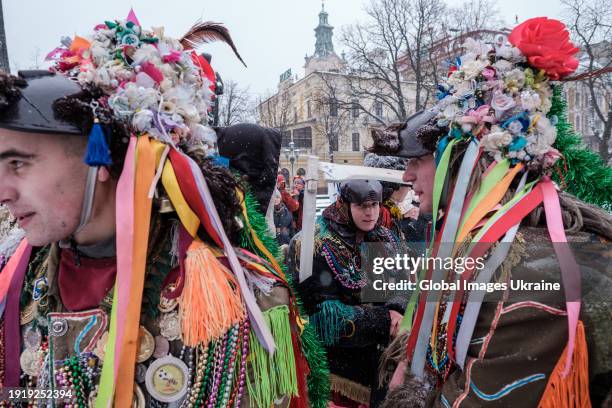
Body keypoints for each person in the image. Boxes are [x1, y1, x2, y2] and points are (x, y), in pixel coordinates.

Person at [0, 14, 314, 407]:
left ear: (95, 158)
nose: (2, 192)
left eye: (19, 164)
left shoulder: (237, 298)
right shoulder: (13, 284)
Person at [370, 18, 612, 407]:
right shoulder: (502, 250)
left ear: (467, 157)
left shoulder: (526, 268)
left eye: (420, 158)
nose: (407, 173)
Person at [287, 179, 405, 408]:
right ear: (344, 203)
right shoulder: (316, 243)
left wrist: (397, 309)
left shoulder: (384, 237)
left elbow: (401, 283)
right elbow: (324, 318)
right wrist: (384, 320)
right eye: (362, 206)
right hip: (337, 372)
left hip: (381, 366)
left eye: (374, 205)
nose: (370, 213)